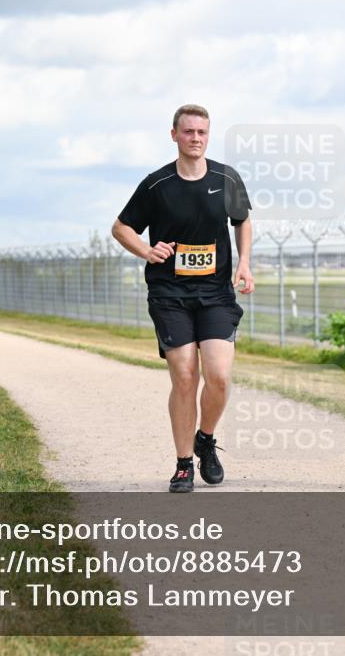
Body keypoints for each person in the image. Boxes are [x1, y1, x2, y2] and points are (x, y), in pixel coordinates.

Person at [112, 104, 254, 493]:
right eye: (188, 132)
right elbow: (121, 227)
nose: (195, 138)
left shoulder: (227, 178)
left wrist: (244, 264)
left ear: (209, 136)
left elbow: (242, 222)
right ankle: (182, 464)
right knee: (185, 375)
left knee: (220, 376)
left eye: (202, 132)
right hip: (169, 293)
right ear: (174, 135)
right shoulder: (157, 184)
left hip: (215, 293)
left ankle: (205, 439)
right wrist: (145, 250)